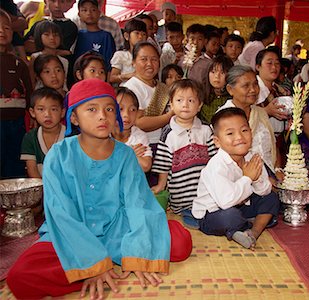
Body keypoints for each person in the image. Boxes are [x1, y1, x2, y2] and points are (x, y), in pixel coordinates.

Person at [6, 78, 192, 299]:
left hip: (117, 231)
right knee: (21, 278)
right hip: (71, 235)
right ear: (74, 116)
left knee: (180, 242)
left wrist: (139, 251)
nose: (103, 116)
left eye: (109, 108)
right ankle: (94, 269)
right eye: (92, 109)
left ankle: (97, 269)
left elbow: (138, 203)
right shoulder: (59, 155)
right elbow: (60, 212)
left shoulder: (125, 155)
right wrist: (91, 261)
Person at [192, 107, 279, 249]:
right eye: (230, 133)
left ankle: (252, 232)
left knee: (271, 198)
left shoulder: (252, 157)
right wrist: (247, 178)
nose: (239, 137)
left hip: (242, 205)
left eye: (244, 130)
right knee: (231, 216)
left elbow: (264, 190)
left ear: (251, 132)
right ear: (217, 141)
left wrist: (256, 180)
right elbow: (226, 202)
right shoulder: (216, 166)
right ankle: (243, 226)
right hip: (213, 213)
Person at [151, 79, 217, 228]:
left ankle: (202, 214)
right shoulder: (168, 134)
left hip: (204, 190)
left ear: (199, 105)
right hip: (180, 193)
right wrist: (161, 185)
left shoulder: (206, 130)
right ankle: (188, 212)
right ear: (171, 105)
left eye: (191, 100)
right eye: (179, 100)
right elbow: (163, 164)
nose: (185, 105)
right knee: (186, 209)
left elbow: (214, 160)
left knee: (212, 207)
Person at [219, 65, 280, 183]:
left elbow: (273, 147)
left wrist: (277, 170)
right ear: (230, 89)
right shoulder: (223, 118)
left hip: (271, 177)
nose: (253, 90)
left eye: (255, 84)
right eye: (246, 86)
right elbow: (227, 160)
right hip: (241, 183)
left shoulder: (260, 113)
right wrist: (261, 180)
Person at [122, 42, 172, 163]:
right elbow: (138, 122)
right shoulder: (131, 88)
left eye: (154, 59)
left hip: (165, 145)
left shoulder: (162, 87)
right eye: (143, 59)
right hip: (145, 147)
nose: (149, 64)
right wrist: (170, 115)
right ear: (133, 62)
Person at [0, 9, 33, 179]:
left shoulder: (19, 63)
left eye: (6, 28)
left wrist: (32, 114)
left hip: (17, 122)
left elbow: (29, 92)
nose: (2, 31)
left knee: (15, 164)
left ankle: (14, 203)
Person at [21, 87, 66, 178]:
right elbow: (32, 169)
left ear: (62, 112)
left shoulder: (71, 136)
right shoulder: (30, 137)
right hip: (42, 189)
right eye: (41, 109)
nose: (47, 115)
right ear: (32, 112)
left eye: (53, 109)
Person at [112, 87, 152, 172]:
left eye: (132, 110)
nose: (126, 114)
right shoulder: (102, 135)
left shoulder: (139, 136)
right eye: (120, 109)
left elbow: (145, 166)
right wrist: (130, 153)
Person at [73, 0, 116, 72]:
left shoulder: (106, 36)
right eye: (84, 10)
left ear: (99, 13)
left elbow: (109, 63)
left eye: (93, 10)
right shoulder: (78, 35)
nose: (89, 13)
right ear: (79, 14)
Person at [29, 20, 69, 89]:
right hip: (41, 95)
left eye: (56, 35)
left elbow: (64, 83)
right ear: (39, 37)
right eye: (47, 34)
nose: (52, 38)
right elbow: (31, 80)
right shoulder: (35, 57)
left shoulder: (64, 61)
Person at [109, 18, 147, 85]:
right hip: (126, 92)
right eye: (137, 33)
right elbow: (112, 78)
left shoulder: (148, 55)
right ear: (126, 36)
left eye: (143, 34)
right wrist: (129, 76)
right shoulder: (120, 55)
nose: (141, 37)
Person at [199, 55, 234, 124]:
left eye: (222, 73)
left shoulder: (234, 97)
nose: (217, 76)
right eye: (213, 72)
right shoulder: (200, 94)